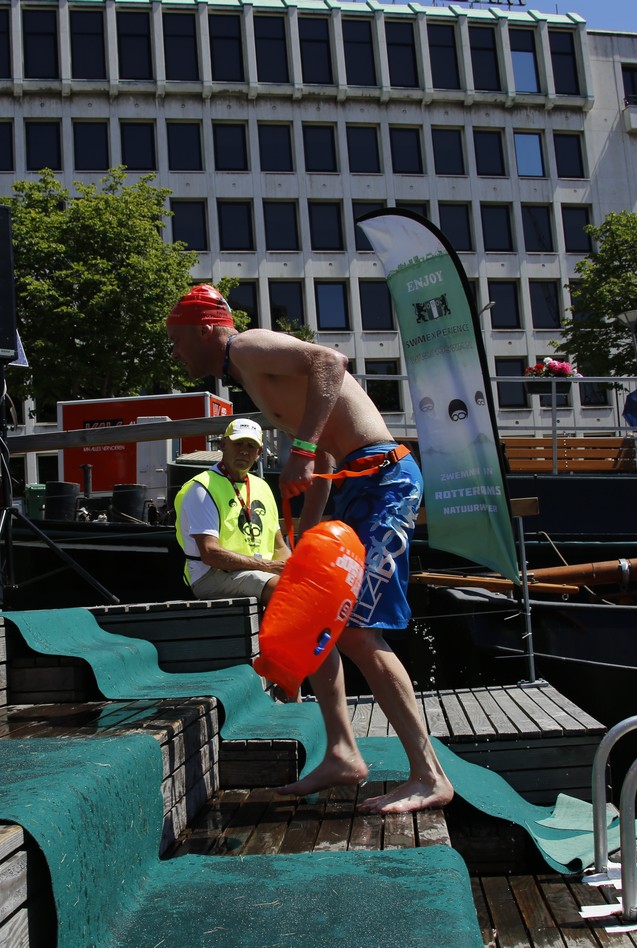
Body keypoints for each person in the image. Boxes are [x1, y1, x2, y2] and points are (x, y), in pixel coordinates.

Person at [165, 283, 454, 814]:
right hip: (357, 483)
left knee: (360, 632)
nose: (175, 353)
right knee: (321, 617)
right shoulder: (251, 375)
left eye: (177, 340)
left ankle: (429, 775)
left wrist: (298, 449)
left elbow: (330, 362)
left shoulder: (247, 345)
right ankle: (343, 751)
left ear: (205, 329)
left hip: (384, 480)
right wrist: (306, 541)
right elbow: (323, 460)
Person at [173, 417, 288, 605]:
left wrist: (293, 570)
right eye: (238, 443)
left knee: (312, 584)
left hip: (259, 572)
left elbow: (279, 546)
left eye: (251, 446)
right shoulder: (202, 487)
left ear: (259, 452)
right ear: (223, 445)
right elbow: (210, 553)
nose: (244, 450)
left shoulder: (262, 487)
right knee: (285, 589)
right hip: (212, 575)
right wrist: (268, 566)